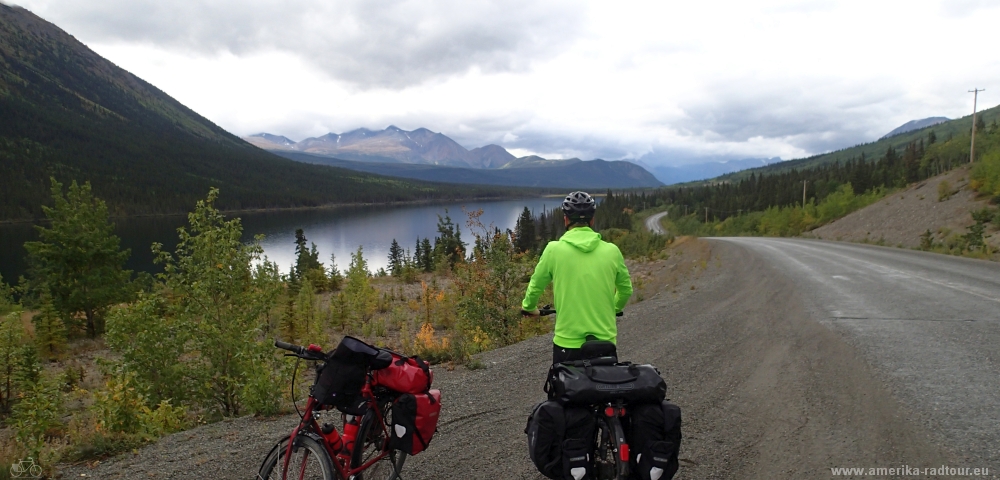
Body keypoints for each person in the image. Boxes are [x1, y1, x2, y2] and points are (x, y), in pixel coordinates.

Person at [521, 191, 633, 364]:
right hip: (605, 342)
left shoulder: (553, 250)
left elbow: (535, 286)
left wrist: (529, 307)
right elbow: (626, 290)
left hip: (567, 343)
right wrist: (614, 308)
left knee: (565, 388)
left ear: (566, 220)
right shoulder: (612, 251)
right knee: (606, 386)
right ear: (592, 220)